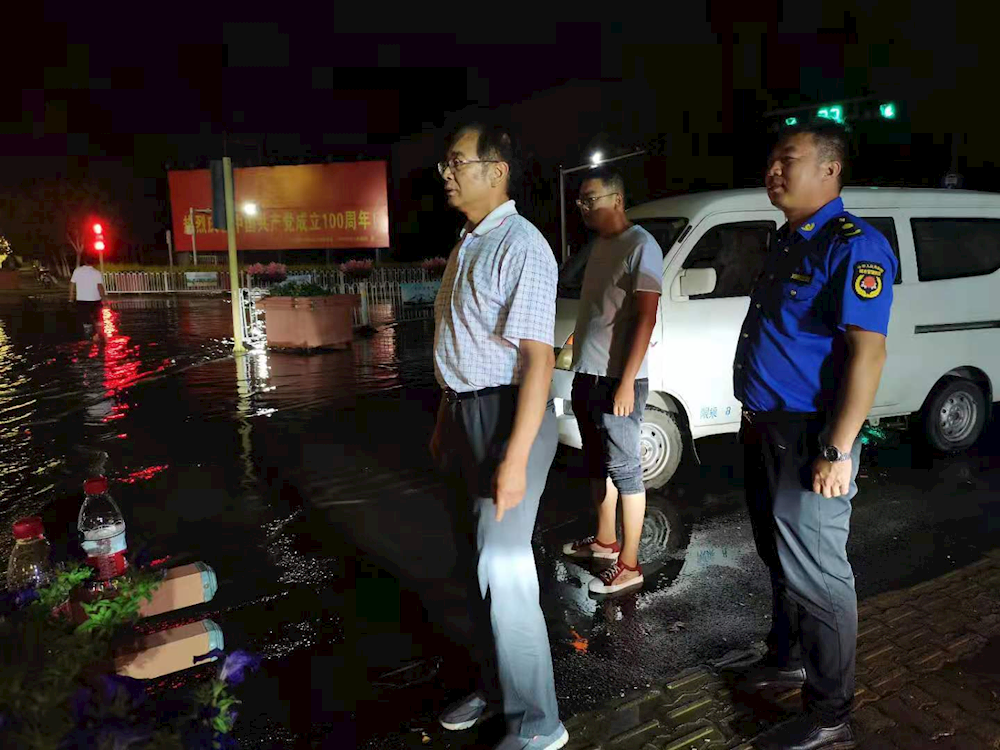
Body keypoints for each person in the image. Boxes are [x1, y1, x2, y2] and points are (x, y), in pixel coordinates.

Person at [733, 121, 897, 750]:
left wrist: (839, 447)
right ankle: (788, 657)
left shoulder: (854, 246)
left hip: (811, 436)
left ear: (830, 169)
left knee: (820, 576)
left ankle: (830, 713)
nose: (773, 171)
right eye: (770, 160)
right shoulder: (789, 240)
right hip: (765, 427)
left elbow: (868, 354)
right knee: (780, 560)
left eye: (788, 160)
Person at [429, 122, 567, 750]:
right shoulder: (468, 242)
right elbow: (460, 344)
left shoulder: (523, 246)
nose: (447, 173)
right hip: (463, 414)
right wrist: (444, 418)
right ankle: (496, 687)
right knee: (472, 564)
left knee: (504, 570)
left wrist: (515, 458)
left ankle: (539, 724)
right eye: (446, 164)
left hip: (511, 417)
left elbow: (538, 361)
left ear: (496, 169)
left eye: (458, 162)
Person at [560, 167, 663, 595]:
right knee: (595, 461)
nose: (583, 208)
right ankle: (605, 541)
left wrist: (625, 381)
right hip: (588, 372)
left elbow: (645, 316)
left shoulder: (642, 246)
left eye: (591, 199)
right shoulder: (600, 246)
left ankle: (631, 563)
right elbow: (600, 310)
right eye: (580, 201)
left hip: (619, 379)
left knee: (625, 470)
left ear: (617, 199)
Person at [69, 254, 106, 340]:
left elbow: (71, 285)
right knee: (99, 320)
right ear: (94, 262)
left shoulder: (77, 271)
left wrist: (70, 298)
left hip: (82, 300)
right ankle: (100, 337)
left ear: (84, 261)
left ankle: (88, 339)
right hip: (95, 300)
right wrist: (104, 299)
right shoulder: (96, 273)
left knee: (86, 321)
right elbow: (100, 287)